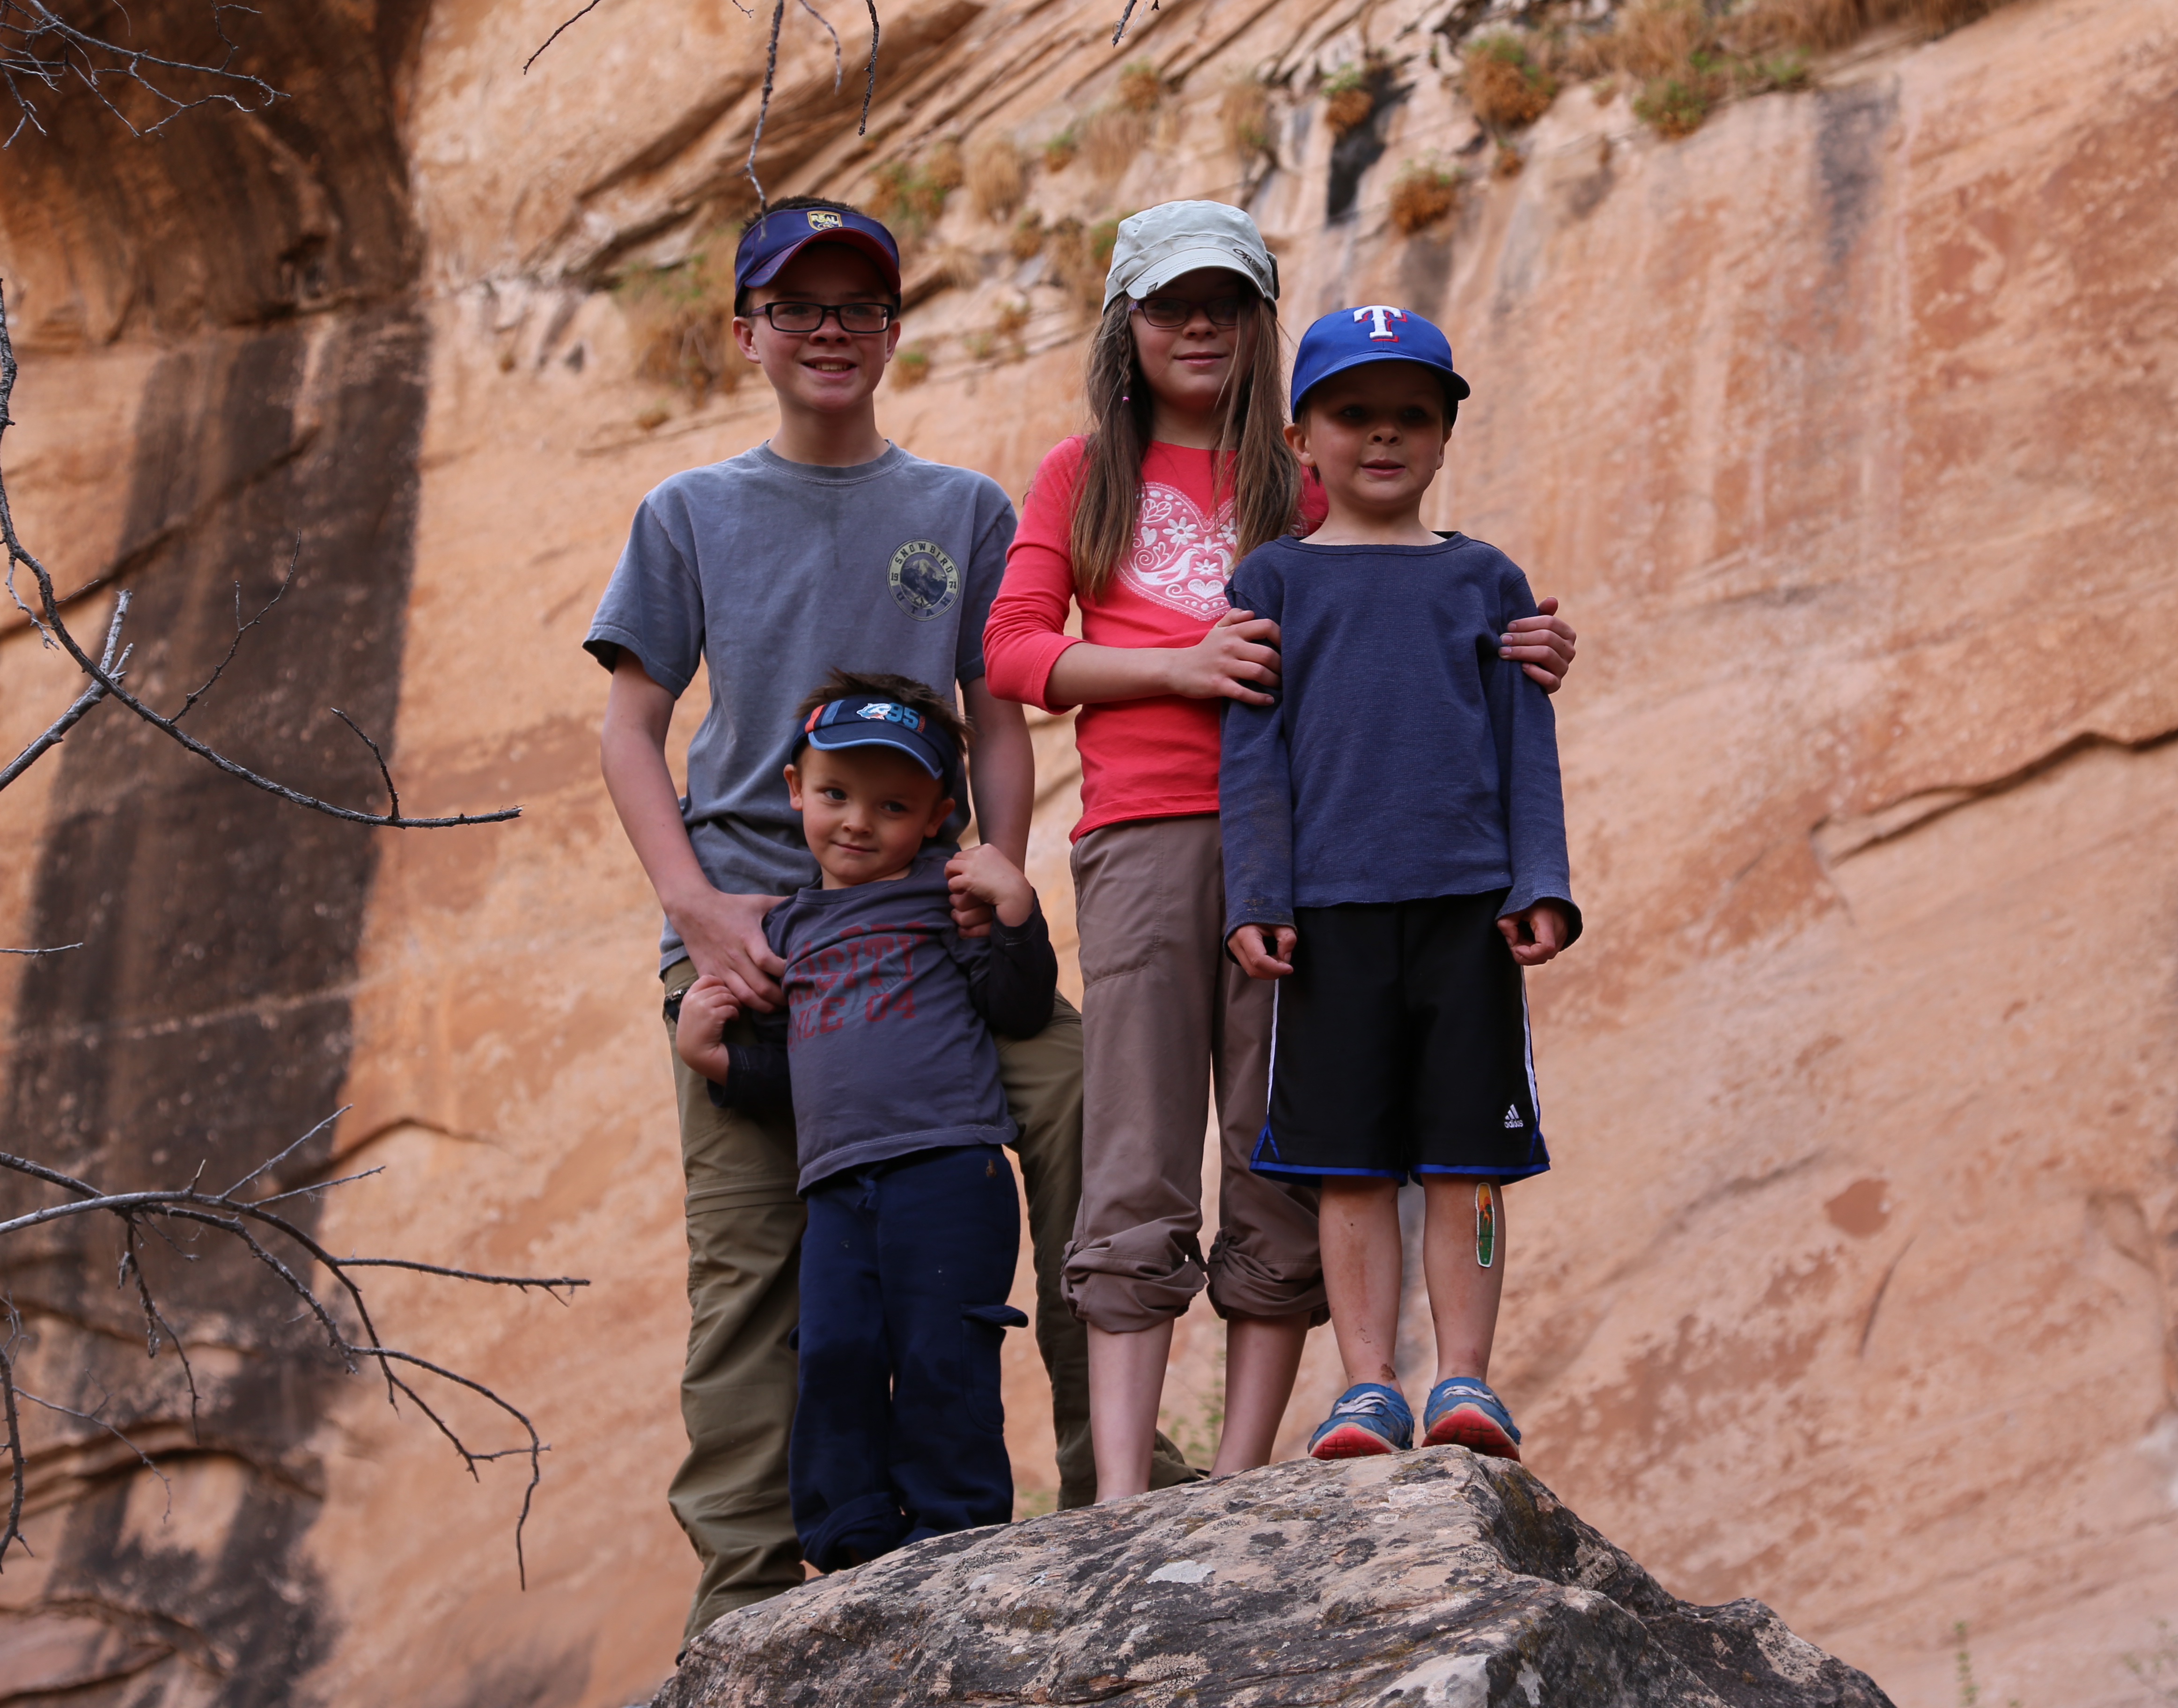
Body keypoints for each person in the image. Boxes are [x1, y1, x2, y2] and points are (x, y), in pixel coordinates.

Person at [981, 202, 1580, 1500]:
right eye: (1168, 305)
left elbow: (1415, 614)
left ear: (1263, 328)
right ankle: (1128, 1490)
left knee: (1282, 1146)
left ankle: (1242, 1475)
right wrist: (1178, 666)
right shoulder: (1085, 473)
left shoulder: (1308, 480)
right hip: (1144, 830)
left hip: (1318, 855)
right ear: (1124, 324)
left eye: (1226, 305)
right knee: (1137, 1149)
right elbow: (1016, 649)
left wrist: (1523, 648)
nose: (1197, 327)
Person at [586, 198, 1092, 1644]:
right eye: (794, 308)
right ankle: (745, 1594)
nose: (827, 333)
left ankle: (1111, 1473)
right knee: (752, 1263)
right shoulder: (690, 514)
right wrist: (696, 912)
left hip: (931, 925)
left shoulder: (961, 512)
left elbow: (997, 714)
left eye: (856, 308)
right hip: (760, 940)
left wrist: (1000, 864)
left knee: (1071, 1108)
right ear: (746, 332)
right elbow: (631, 731)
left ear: (890, 332)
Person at [1221, 305, 1578, 1464]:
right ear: (1300, 435)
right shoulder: (1271, 582)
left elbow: (1527, 741)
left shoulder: (1487, 579)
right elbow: (1252, 756)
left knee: (1471, 1158)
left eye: (1411, 418)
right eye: (1354, 415)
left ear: (1444, 435)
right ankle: (1368, 1385)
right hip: (1328, 919)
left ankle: (1466, 1381)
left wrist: (1541, 880)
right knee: (1349, 1160)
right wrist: (1257, 896)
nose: (1384, 438)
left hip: (1466, 910)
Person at [674, 675, 1053, 1570]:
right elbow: (801, 1071)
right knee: (835, 1350)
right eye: (835, 794)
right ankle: (847, 1539)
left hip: (950, 1170)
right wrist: (717, 1062)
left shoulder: (944, 893)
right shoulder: (781, 930)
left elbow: (1017, 1006)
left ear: (934, 817)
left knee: (941, 1349)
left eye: (891, 805)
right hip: (838, 1185)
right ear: (795, 789)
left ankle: (952, 1529)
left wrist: (1016, 911)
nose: (856, 822)